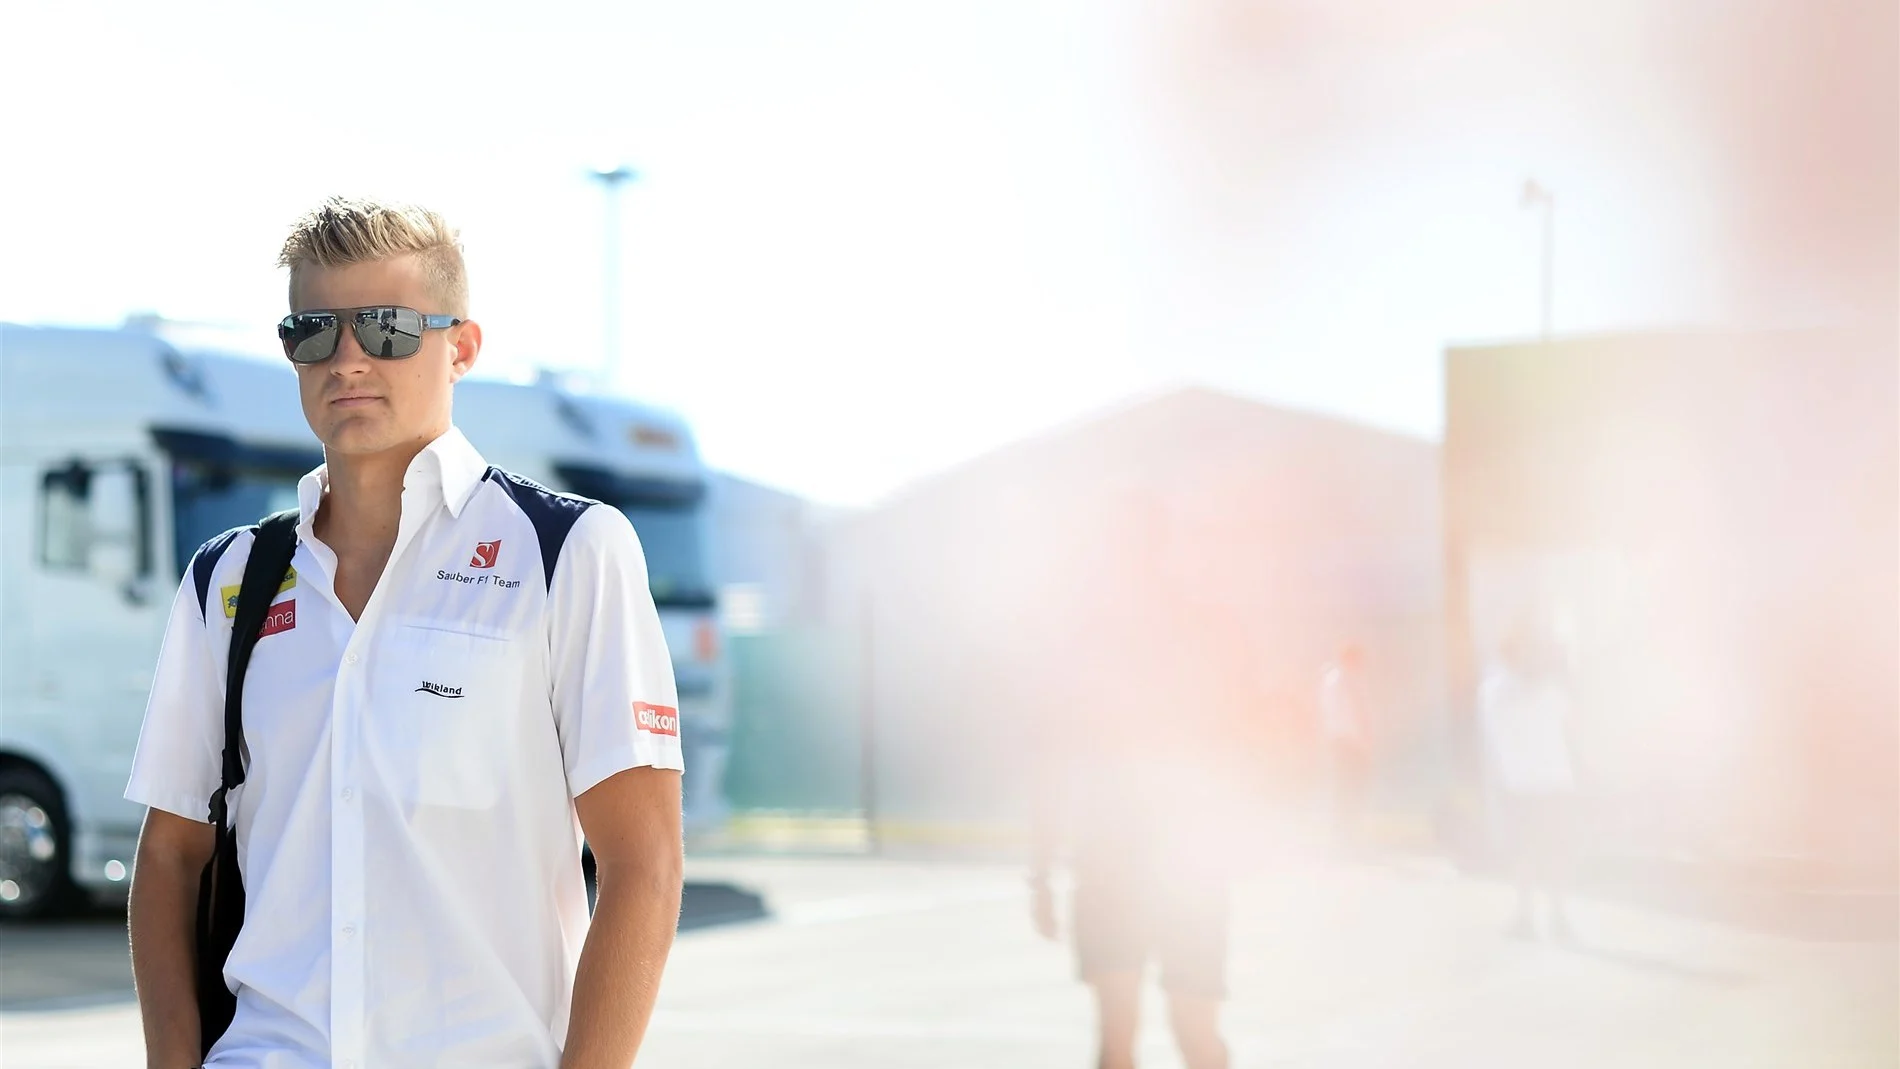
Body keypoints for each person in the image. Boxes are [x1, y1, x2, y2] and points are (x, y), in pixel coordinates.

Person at [124, 197, 685, 1068]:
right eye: (314, 330)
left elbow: (644, 864)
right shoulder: (226, 579)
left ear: (460, 346)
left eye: (385, 327)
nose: (346, 358)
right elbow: (168, 858)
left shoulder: (570, 551)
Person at [1027, 491, 1231, 1069]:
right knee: (1123, 1032)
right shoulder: (1084, 640)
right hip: (1112, 860)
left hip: (1182, 859)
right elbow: (1052, 760)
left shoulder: (1196, 630)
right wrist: (1039, 873)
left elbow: (1232, 744)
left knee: (1190, 1029)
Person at [1478, 612, 1580, 942]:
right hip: (1543, 783)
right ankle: (1552, 916)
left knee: (1531, 851)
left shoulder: (1494, 690)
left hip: (1528, 784)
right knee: (1546, 850)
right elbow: (1571, 722)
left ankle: (1534, 917)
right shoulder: (1540, 689)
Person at [1317, 644, 1371, 846]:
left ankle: (1345, 834)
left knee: (1346, 788)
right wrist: (1361, 742)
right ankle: (1345, 835)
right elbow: (1350, 715)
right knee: (1349, 788)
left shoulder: (1335, 680)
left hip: (1342, 741)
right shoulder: (1341, 682)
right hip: (1347, 742)